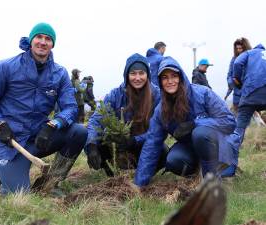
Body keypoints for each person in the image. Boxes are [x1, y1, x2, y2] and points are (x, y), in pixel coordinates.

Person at [0, 22, 88, 195]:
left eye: (48, 39)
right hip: (11, 142)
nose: (43, 42)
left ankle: (51, 182)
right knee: (19, 196)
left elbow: (70, 108)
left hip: (41, 137)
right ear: (31, 41)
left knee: (79, 132)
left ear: (52, 44)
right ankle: (1, 177)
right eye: (39, 37)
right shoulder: (5, 67)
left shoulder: (59, 73)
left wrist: (53, 125)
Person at [134, 57, 240, 187]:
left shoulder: (203, 94)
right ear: (160, 82)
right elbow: (151, 145)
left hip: (219, 147)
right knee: (173, 160)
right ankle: (198, 174)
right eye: (165, 78)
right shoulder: (161, 110)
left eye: (174, 76)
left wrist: (196, 123)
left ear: (181, 77)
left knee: (200, 133)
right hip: (191, 148)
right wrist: (139, 184)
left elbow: (229, 122)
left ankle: (211, 181)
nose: (170, 81)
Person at [86, 53, 164, 175]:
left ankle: (145, 169)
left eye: (141, 73)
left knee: (163, 150)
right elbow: (96, 119)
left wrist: (134, 141)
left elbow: (159, 130)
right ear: (126, 75)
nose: (137, 78)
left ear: (147, 75)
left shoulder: (157, 95)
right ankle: (110, 169)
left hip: (143, 143)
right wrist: (91, 144)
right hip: (119, 143)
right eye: (133, 73)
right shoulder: (116, 95)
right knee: (98, 142)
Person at [233, 43, 266, 146]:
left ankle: (233, 152)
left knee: (240, 124)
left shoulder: (249, 53)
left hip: (251, 91)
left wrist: (238, 79)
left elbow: (237, 63)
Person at [225, 38, 252, 114]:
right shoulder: (233, 59)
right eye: (237, 48)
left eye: (240, 48)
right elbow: (229, 74)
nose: (239, 50)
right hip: (237, 90)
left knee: (252, 110)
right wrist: (231, 83)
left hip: (248, 90)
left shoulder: (250, 59)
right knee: (236, 110)